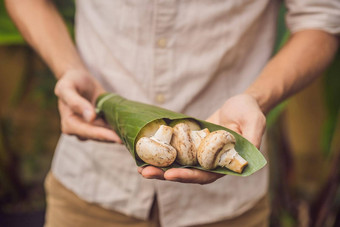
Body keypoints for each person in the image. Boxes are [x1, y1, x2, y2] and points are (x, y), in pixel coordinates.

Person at [5, 0, 340, 226]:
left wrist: (256, 97)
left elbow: (320, 21)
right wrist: (68, 68)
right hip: (89, 185)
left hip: (227, 207)